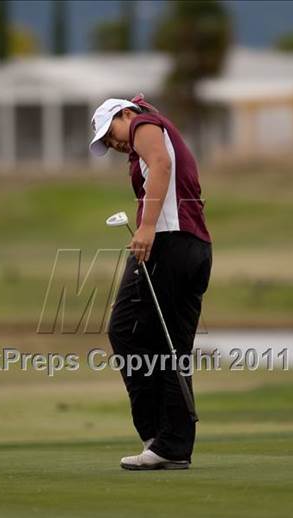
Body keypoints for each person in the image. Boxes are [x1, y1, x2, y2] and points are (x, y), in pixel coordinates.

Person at [89, 94, 212, 470]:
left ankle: (162, 438)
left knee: (134, 332)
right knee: (153, 338)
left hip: (170, 244)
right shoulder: (152, 133)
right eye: (108, 144)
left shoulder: (144, 125)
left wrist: (144, 227)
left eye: (112, 133)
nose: (114, 144)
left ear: (126, 114)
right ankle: (166, 441)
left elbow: (160, 163)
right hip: (188, 246)